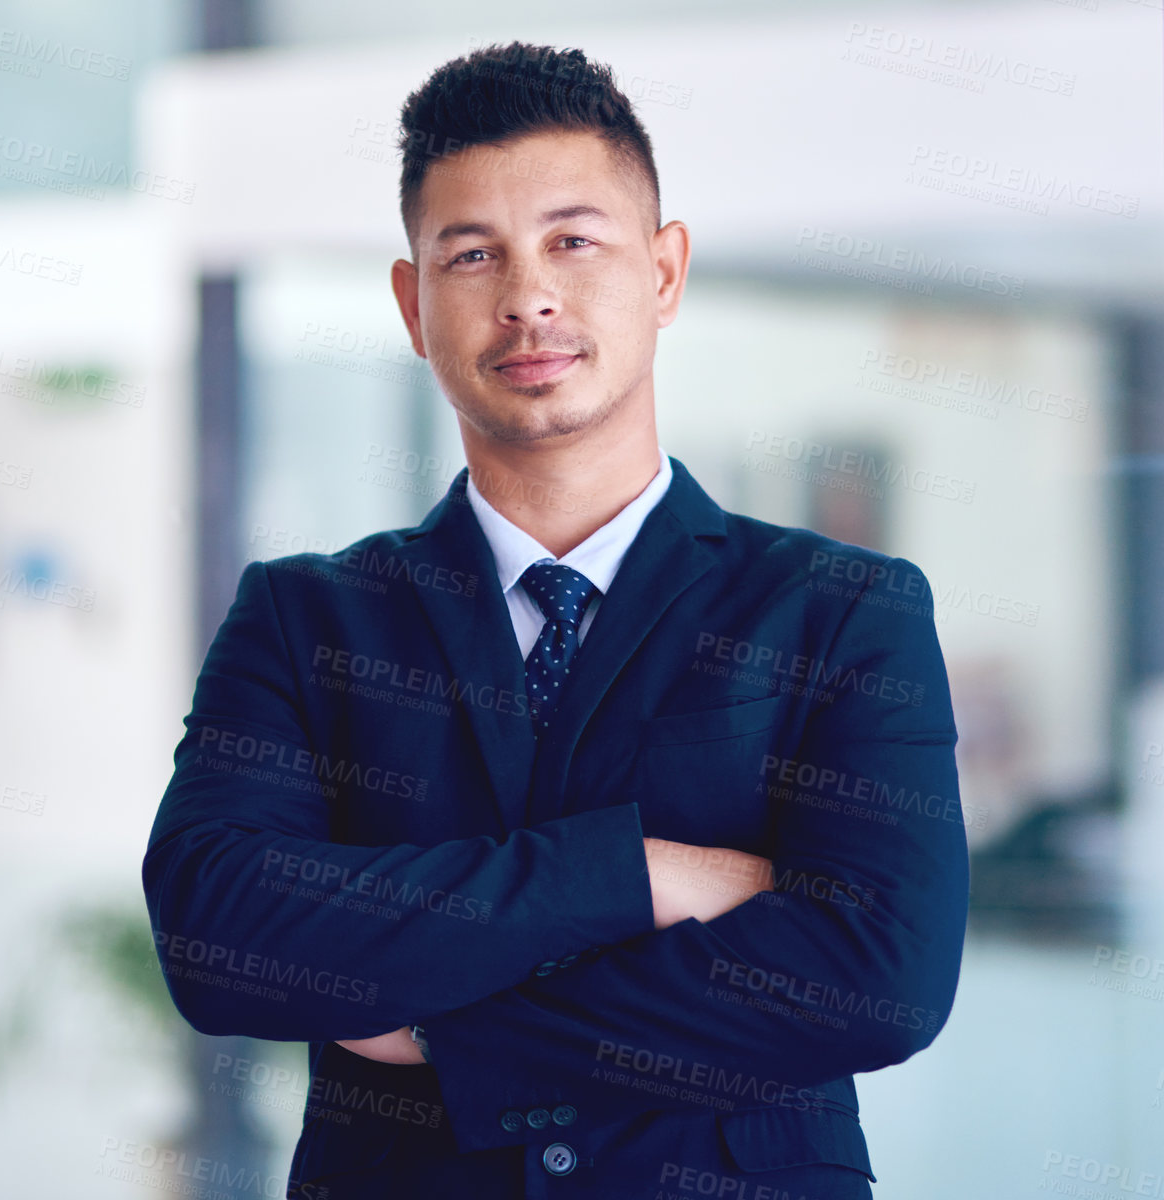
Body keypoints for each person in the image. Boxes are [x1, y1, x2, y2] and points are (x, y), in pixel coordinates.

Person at [142, 39, 967, 1199]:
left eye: (572, 242)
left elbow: (877, 974)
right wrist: (633, 876)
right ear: (412, 305)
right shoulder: (305, 618)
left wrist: (447, 1037)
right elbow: (219, 936)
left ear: (665, 272)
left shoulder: (840, 613)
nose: (527, 295)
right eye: (470, 255)